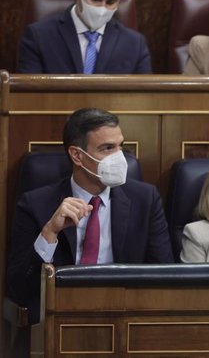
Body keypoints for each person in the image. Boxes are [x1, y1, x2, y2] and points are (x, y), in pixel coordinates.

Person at [7, 108, 173, 325]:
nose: (119, 157)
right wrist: (49, 232)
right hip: (61, 320)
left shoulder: (145, 199)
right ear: (77, 155)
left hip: (126, 318)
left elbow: (164, 277)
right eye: (107, 148)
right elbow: (18, 288)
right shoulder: (36, 204)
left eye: (120, 146)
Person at [17, 0, 151, 74]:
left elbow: (144, 98)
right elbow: (29, 96)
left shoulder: (134, 44)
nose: (102, 9)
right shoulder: (39, 36)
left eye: (111, 2)